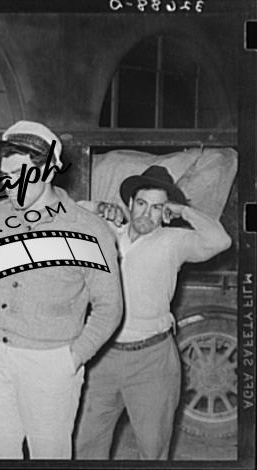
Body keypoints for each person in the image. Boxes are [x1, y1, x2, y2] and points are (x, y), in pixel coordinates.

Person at [0, 120, 123, 459]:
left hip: (49, 363)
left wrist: (71, 359)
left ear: (51, 170)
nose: (10, 185)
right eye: (5, 175)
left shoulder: (89, 231)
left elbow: (110, 307)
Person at [74, 165, 232, 459]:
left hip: (152, 361)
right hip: (102, 358)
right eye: (142, 204)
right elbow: (67, 215)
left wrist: (184, 211)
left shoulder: (174, 241)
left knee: (152, 449)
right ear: (130, 203)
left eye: (157, 207)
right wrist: (98, 206)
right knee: (86, 445)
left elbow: (220, 241)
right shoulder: (108, 232)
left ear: (165, 212)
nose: (147, 214)